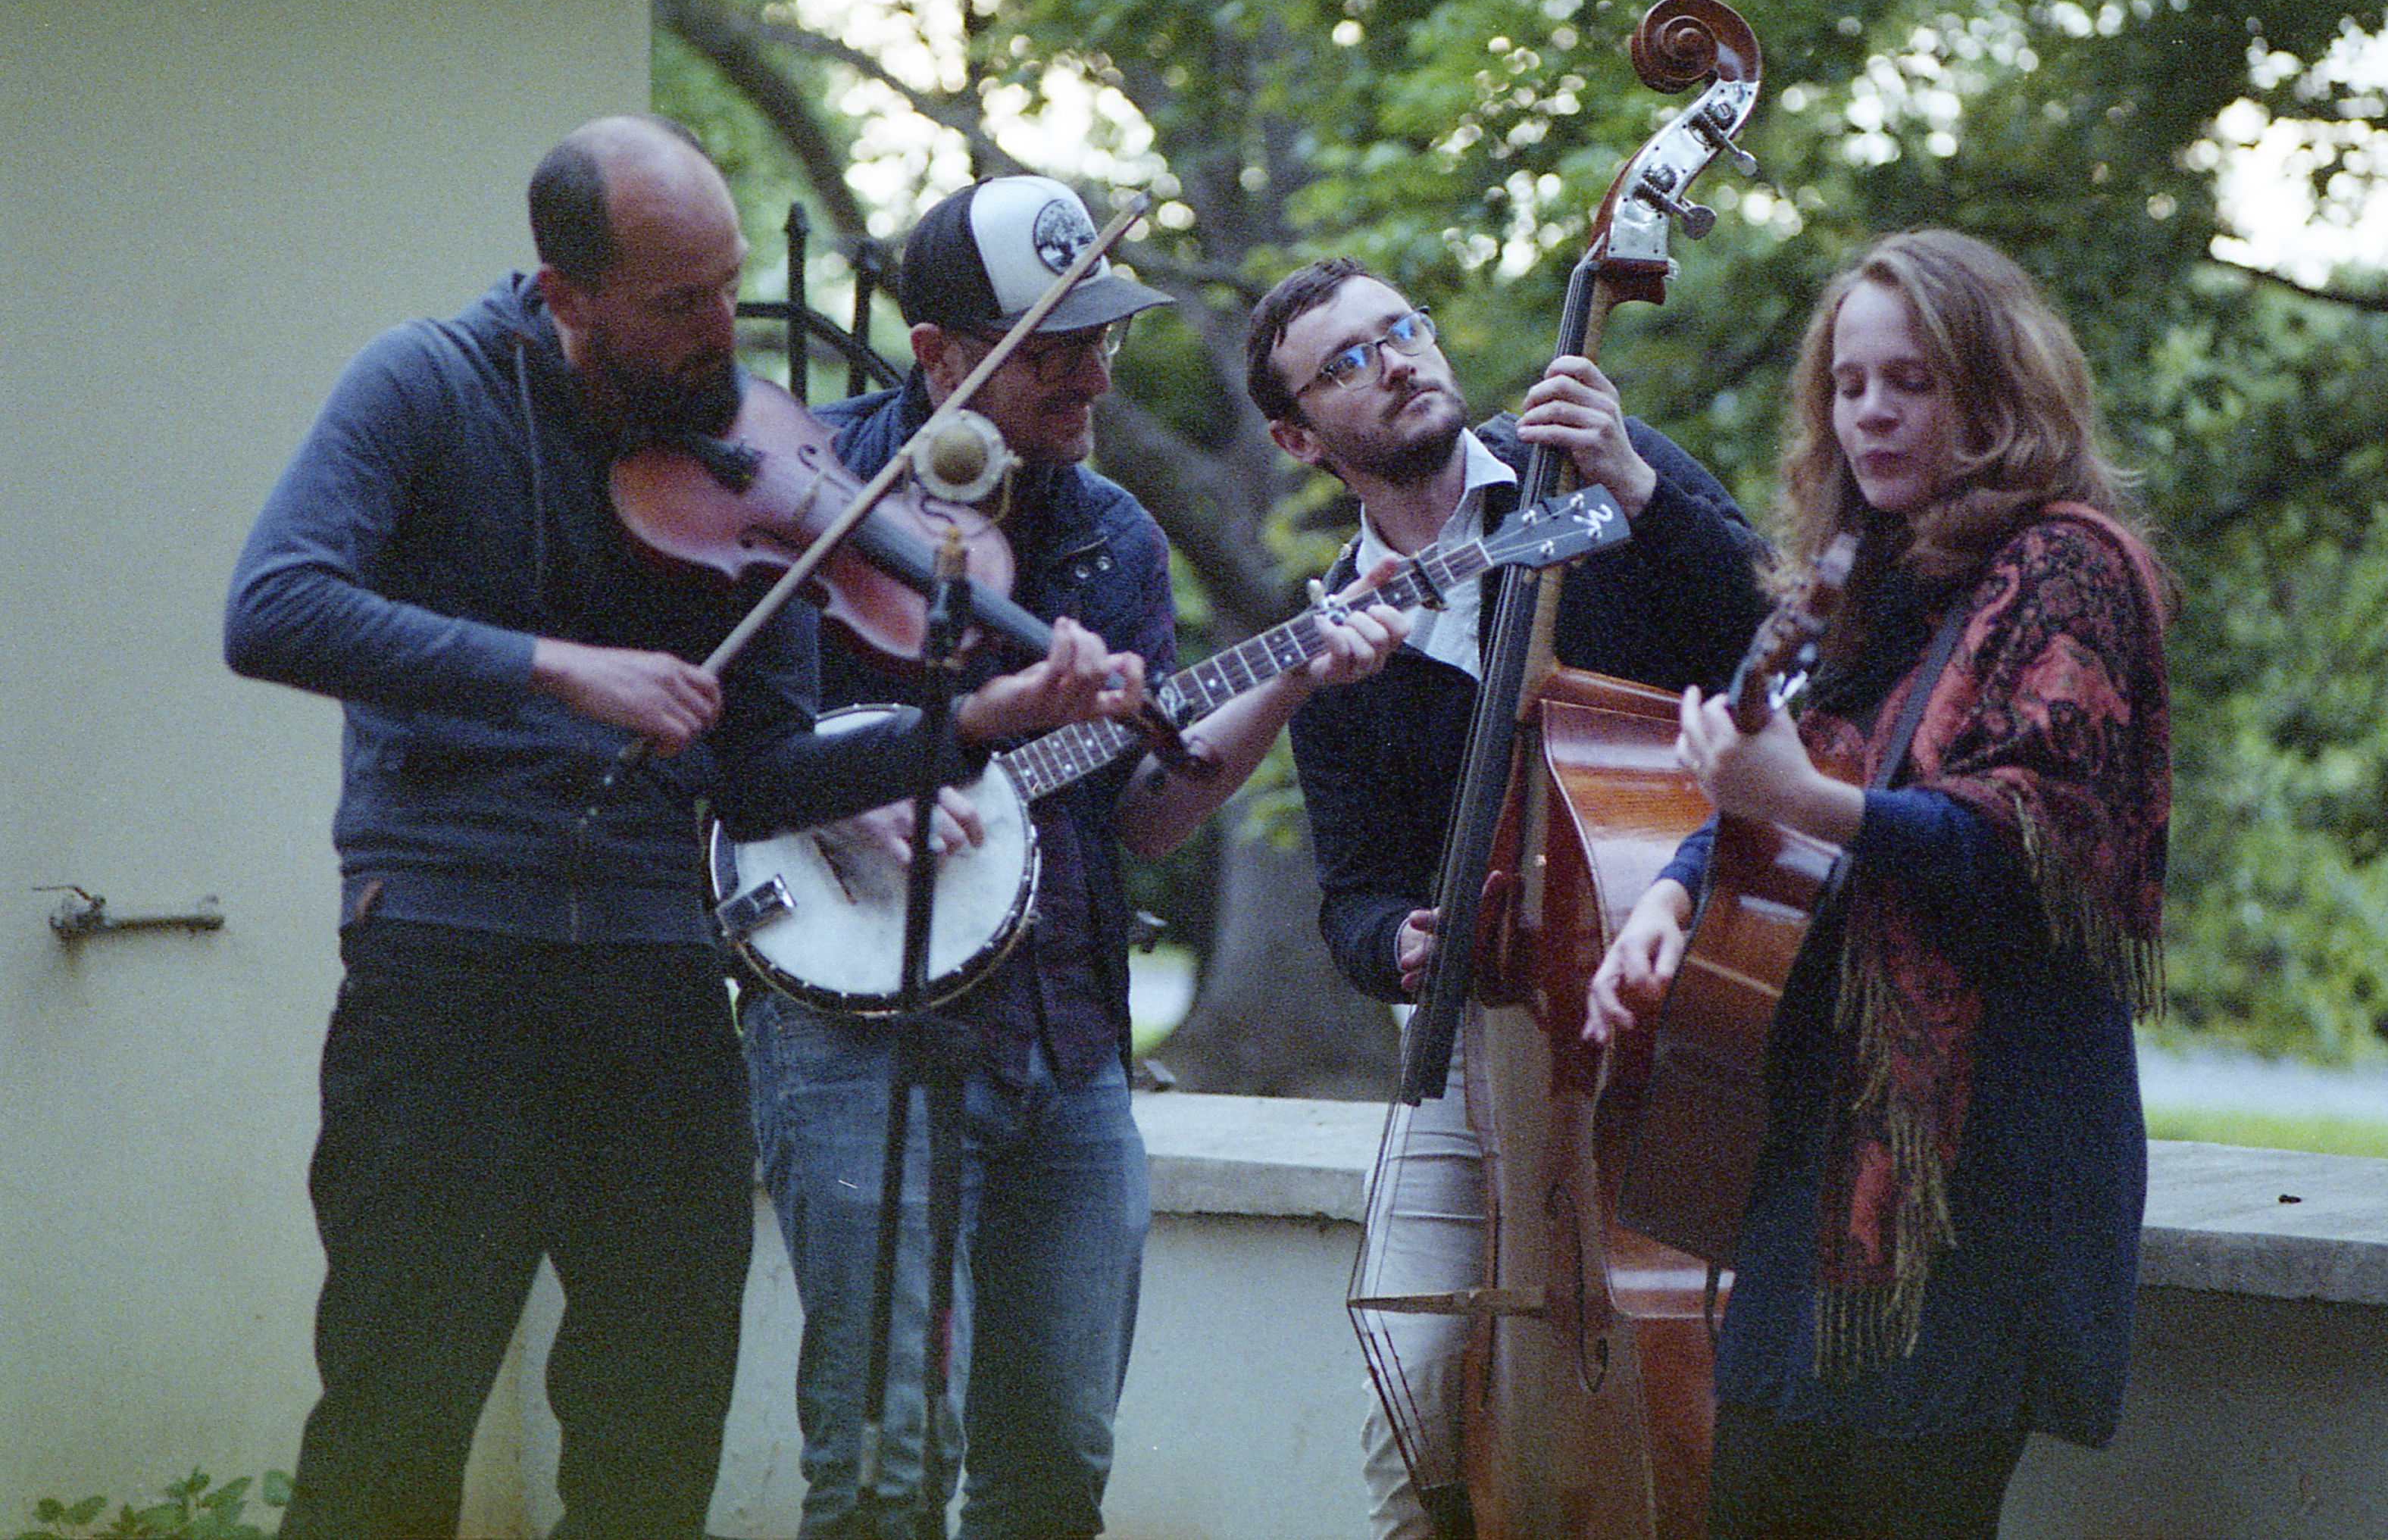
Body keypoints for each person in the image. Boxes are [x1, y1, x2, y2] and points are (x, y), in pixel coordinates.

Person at [224, 117, 1142, 1540]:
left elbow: (768, 769)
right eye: (677, 304)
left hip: (658, 971)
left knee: (658, 1433)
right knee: (400, 1410)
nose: (722, 330)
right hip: (451, 951)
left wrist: (971, 722)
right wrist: (549, 666)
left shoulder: (735, 449)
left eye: (725, 287)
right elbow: (274, 605)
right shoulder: (426, 385)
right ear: (565, 292)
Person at [741, 177, 1405, 1540]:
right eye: (1055, 349)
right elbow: (734, 749)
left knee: (1056, 1469)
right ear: (938, 355)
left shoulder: (1116, 537)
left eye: (1103, 336)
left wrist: (1290, 685)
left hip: (1065, 1044)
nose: (1095, 372)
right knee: (880, 1469)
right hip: (857, 1031)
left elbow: (1143, 816)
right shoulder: (804, 494)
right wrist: (856, 796)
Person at [1586, 230, 2172, 1539]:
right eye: (1848, 385)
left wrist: (1794, 798)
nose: (1870, 413)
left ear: (1994, 390)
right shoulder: (1861, 580)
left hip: (1978, 1182)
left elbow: (2041, 851)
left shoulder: (2069, 568)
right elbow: (1786, 791)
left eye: (1908, 380)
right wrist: (1677, 898)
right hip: (1818, 1167)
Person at [1242, 255, 1775, 1540]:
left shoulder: (1597, 464)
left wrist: (1643, 491)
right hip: (1480, 1038)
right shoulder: (1337, 633)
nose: (1401, 360)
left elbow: (1778, 641)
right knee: (1414, 1385)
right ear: (1298, 437)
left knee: (1683, 1366)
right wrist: (1397, 943)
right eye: (1349, 362)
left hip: (1669, 1001)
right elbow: (1354, 894)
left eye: (1402, 328)